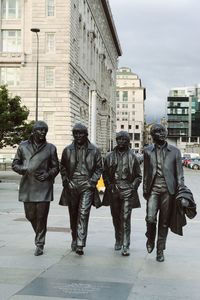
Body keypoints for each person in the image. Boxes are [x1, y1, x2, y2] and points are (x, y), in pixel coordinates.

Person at [12, 121, 59, 256]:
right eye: (40, 130)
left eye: (45, 130)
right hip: (28, 185)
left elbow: (56, 167)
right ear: (33, 131)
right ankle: (39, 233)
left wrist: (48, 174)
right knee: (30, 215)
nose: (43, 132)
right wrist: (24, 169)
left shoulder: (50, 148)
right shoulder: (23, 146)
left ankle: (40, 243)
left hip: (44, 186)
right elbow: (15, 164)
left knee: (42, 216)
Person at [143, 123, 188, 262]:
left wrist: (181, 193)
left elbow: (180, 175)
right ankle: (150, 238)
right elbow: (146, 173)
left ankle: (160, 250)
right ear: (152, 135)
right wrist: (145, 189)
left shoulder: (175, 151)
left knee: (164, 222)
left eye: (163, 131)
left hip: (169, 191)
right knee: (150, 218)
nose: (161, 133)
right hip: (153, 190)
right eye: (157, 131)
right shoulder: (147, 151)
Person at [59, 123, 102, 255]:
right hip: (72, 185)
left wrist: (92, 182)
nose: (78, 136)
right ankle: (74, 238)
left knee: (83, 213)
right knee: (73, 214)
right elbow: (63, 167)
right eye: (76, 133)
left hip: (87, 185)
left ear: (86, 134)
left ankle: (80, 243)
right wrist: (66, 181)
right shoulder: (67, 150)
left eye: (81, 133)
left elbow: (99, 168)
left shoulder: (94, 150)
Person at [102, 131, 142, 256]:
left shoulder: (133, 157)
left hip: (127, 190)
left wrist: (132, 187)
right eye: (119, 139)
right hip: (114, 190)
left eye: (124, 139)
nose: (121, 142)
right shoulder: (109, 156)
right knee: (116, 217)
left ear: (127, 141)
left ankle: (126, 244)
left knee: (125, 218)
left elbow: (138, 176)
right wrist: (110, 186)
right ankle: (118, 239)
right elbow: (105, 175)